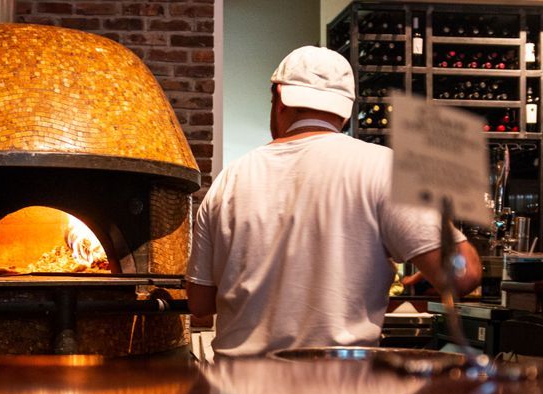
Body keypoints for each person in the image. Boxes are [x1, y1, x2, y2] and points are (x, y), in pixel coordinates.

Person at [186, 45, 482, 358]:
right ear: (344, 112)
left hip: (237, 393)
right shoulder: (384, 168)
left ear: (278, 98)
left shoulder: (228, 180)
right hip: (337, 390)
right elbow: (462, 276)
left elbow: (200, 304)